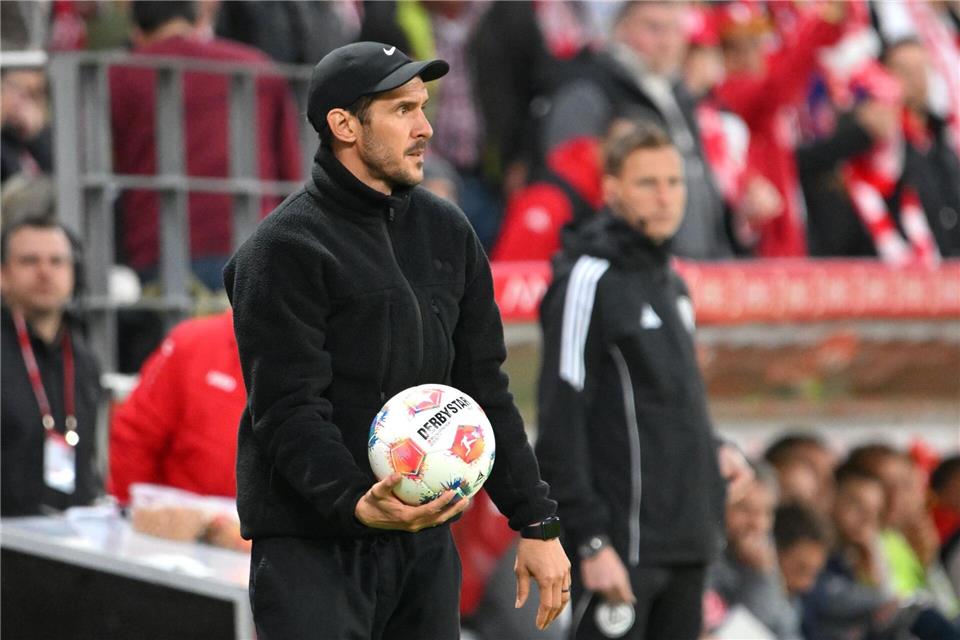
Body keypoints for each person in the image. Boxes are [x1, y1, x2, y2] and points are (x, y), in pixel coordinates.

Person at [222, 42, 571, 639]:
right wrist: (358, 500)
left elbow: (483, 388)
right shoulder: (282, 249)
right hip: (315, 551)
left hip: (424, 549)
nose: (426, 128)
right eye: (403, 110)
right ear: (344, 125)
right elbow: (287, 411)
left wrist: (536, 522)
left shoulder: (447, 230)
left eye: (424, 107)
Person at [534, 122, 752, 640]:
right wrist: (589, 542)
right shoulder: (586, 280)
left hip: (688, 545)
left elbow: (672, 401)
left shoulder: (673, 282)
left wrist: (717, 448)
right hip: (622, 549)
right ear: (611, 191)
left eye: (674, 183)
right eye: (647, 183)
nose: (665, 197)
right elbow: (559, 421)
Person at [109, 1, 302, 291]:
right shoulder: (256, 67)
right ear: (198, 18)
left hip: (158, 247)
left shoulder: (121, 75)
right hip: (255, 244)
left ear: (136, 30)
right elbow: (290, 172)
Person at [542, 1, 733, 260]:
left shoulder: (676, 94)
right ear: (621, 28)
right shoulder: (591, 90)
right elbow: (567, 184)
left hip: (695, 264)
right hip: (629, 264)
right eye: (653, 28)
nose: (666, 42)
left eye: (674, 29)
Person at [1, 214, 103, 516]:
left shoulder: (84, 357)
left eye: (57, 261)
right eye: (30, 261)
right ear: (3, 274)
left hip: (73, 539)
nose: (45, 272)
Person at [108, 310, 244, 504]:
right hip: (179, 525)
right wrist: (138, 514)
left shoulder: (299, 353)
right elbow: (135, 435)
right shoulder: (194, 344)